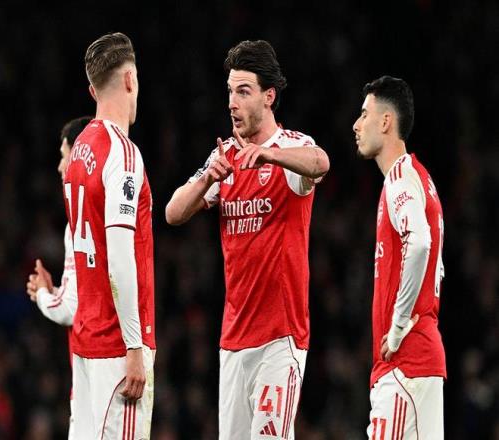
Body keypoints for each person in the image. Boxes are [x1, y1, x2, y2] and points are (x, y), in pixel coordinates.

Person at [166, 40, 329, 439]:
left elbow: (320, 162)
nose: (232, 103)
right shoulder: (224, 157)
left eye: (243, 92)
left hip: (281, 339)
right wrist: (208, 178)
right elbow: (172, 213)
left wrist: (270, 156)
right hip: (234, 339)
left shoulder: (291, 148)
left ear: (268, 96)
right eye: (229, 92)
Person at [63, 32, 155, 439]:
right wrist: (134, 345)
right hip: (116, 345)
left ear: (92, 90)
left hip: (86, 340)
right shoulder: (123, 153)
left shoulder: (79, 149)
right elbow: (118, 256)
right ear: (131, 79)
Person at [353, 75, 446, 439]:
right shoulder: (422, 179)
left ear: (386, 121)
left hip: (404, 364)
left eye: (364, 114)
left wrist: (396, 328)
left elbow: (420, 243)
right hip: (422, 362)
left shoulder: (399, 179)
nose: (357, 124)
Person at [26, 115, 91, 439]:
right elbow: (82, 298)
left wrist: (42, 294)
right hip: (95, 366)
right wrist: (56, 291)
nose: (60, 166)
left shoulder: (81, 222)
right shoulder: (87, 214)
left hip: (97, 366)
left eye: (65, 156)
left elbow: (70, 310)